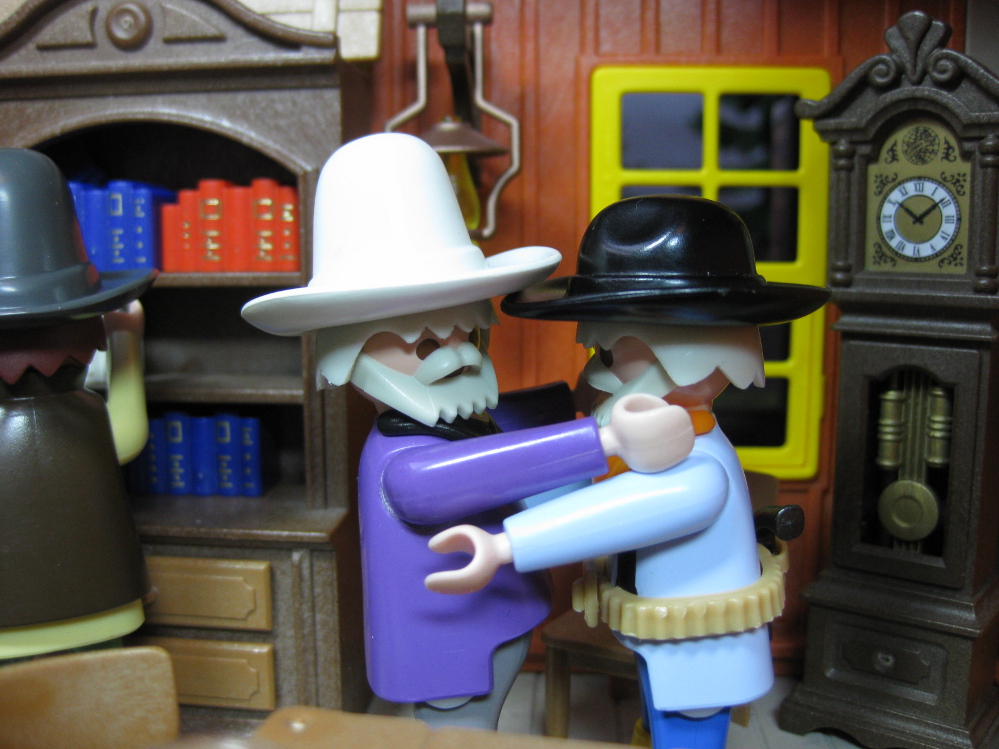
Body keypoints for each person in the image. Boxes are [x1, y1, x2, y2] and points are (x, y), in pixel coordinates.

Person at [241, 134, 695, 729]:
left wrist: (580, 398)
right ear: (353, 354)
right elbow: (479, 469)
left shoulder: (451, 423)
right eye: (427, 343)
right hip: (447, 647)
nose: (459, 355)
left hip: (490, 622)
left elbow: (502, 426)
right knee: (461, 735)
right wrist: (606, 441)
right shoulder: (405, 465)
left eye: (471, 335)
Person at [425, 195, 830, 749]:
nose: (593, 377)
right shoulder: (663, 444)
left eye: (608, 356)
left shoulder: (698, 468)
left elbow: (612, 512)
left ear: (683, 356)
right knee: (658, 720)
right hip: (663, 631)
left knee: (686, 732)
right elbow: (586, 486)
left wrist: (504, 546)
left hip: (699, 640)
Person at [0, 148, 155, 662]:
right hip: (98, 600)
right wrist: (127, 342)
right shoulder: (84, 416)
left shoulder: (83, 414)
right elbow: (129, 435)